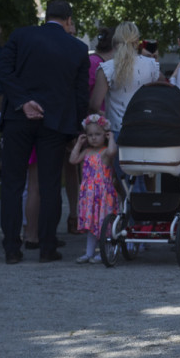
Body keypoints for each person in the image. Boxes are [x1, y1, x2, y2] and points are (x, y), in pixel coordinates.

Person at [0, 0, 90, 263]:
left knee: (13, 185)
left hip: (18, 119)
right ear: (68, 20)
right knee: (50, 186)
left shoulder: (21, 36)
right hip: (55, 123)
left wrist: (23, 101)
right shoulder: (78, 48)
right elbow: (80, 95)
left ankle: (12, 248)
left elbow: (3, 72)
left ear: (47, 16)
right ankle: (48, 247)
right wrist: (75, 129)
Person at [89, 22, 162, 137]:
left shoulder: (107, 69)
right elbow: (162, 90)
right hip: (146, 127)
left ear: (115, 41)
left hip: (118, 130)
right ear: (137, 41)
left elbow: (94, 105)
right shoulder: (152, 65)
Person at [69, 113, 118, 264]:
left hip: (103, 194)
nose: (94, 138)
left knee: (104, 223)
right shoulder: (86, 152)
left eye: (98, 134)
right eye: (90, 135)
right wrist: (78, 144)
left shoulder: (104, 152)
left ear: (105, 134)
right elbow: (72, 160)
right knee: (91, 224)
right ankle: (89, 252)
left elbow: (112, 152)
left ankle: (105, 250)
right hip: (89, 195)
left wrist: (111, 139)